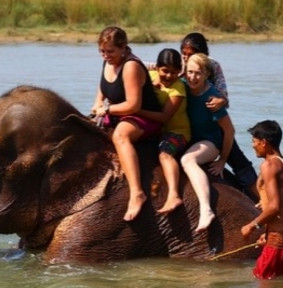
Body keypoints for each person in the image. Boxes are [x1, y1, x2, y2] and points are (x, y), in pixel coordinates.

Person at [91, 26, 162, 222]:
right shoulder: (108, 62)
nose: (105, 55)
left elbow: (133, 105)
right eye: (102, 51)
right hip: (117, 114)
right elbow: (103, 87)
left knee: (120, 135)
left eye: (110, 51)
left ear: (123, 47)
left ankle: (137, 192)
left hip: (143, 117)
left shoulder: (131, 66)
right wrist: (98, 102)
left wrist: (107, 110)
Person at [180, 32, 259, 200]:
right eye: (184, 54)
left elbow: (223, 92)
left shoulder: (213, 65)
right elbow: (155, 67)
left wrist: (220, 101)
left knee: (236, 158)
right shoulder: (181, 64)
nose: (187, 58)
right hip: (191, 120)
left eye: (191, 54)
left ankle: (261, 197)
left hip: (213, 118)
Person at [241, 120, 283, 279]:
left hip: (279, 244)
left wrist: (251, 226)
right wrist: (268, 233)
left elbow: (274, 208)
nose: (253, 146)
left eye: (254, 141)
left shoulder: (269, 165)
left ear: (264, 142)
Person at [180, 53, 235, 233]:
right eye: (190, 72)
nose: (193, 77)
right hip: (188, 138)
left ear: (206, 75)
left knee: (188, 161)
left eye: (198, 73)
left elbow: (229, 131)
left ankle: (206, 209)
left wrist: (222, 161)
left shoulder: (212, 99)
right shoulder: (183, 87)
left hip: (209, 143)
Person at [137, 48, 190, 215]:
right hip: (155, 129)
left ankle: (174, 195)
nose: (169, 76)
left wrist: (136, 110)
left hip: (177, 131)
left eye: (174, 73)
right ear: (157, 67)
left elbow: (164, 117)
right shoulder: (150, 76)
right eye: (165, 71)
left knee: (164, 154)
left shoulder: (178, 88)